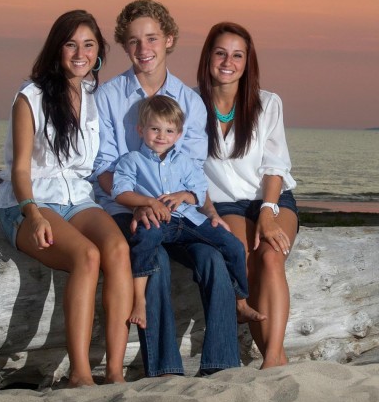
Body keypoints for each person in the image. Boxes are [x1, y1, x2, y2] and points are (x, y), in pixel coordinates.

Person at [92, 0, 240, 377]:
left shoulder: (190, 102)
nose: (144, 49)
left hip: (181, 214)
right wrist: (140, 203)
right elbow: (102, 167)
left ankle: (221, 365)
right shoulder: (107, 97)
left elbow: (192, 171)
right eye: (134, 41)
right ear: (125, 46)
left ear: (169, 39)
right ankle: (165, 372)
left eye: (152, 38)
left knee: (213, 258)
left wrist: (210, 213)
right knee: (154, 260)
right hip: (126, 208)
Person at [0, 10, 133, 387]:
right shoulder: (30, 97)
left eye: (89, 45)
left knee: (118, 248)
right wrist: (33, 215)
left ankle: (115, 372)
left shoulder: (93, 97)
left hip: (78, 199)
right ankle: (80, 374)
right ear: (57, 49)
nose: (80, 53)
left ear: (98, 52)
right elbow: (21, 170)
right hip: (30, 202)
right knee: (87, 256)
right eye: (71, 44)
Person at [196, 22, 300, 369]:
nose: (228, 62)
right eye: (221, 53)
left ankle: (272, 357)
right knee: (243, 261)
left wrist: (268, 212)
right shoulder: (191, 104)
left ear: (247, 61)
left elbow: (275, 165)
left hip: (271, 197)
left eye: (237, 55)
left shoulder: (267, 103)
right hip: (225, 203)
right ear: (208, 57)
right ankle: (277, 360)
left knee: (271, 256)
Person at [111, 96, 264, 329]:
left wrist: (184, 195)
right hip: (158, 221)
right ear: (141, 130)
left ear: (178, 135)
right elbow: (120, 193)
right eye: (155, 129)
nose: (161, 136)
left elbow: (199, 194)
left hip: (189, 220)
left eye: (169, 131)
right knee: (145, 237)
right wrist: (149, 202)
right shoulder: (132, 161)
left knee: (233, 244)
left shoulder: (184, 162)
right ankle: (139, 300)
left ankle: (241, 302)